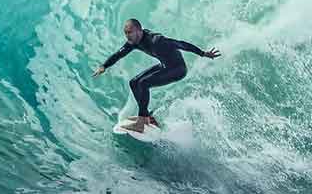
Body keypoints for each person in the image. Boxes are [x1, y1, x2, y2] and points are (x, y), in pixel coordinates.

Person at [92, 19, 220, 133]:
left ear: (139, 31)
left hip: (178, 69)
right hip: (165, 65)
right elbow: (119, 54)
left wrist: (203, 53)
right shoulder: (134, 41)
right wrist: (104, 66)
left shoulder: (156, 40)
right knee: (134, 82)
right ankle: (147, 117)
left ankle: (141, 122)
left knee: (143, 83)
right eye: (126, 33)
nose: (127, 36)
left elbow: (181, 44)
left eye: (129, 32)